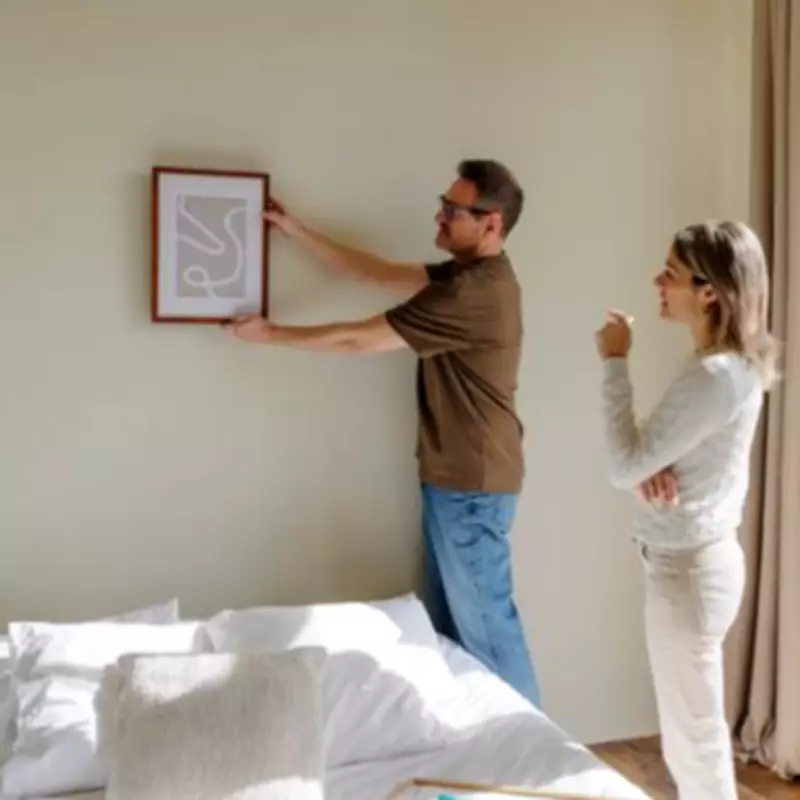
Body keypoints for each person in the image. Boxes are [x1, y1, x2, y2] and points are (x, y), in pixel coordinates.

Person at [224, 159, 540, 706]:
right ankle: (473, 746)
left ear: (491, 223)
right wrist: (296, 231)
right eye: (442, 204)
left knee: (489, 635)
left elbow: (359, 339)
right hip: (459, 480)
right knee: (451, 636)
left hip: (473, 485)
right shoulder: (467, 276)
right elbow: (375, 271)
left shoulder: (472, 294)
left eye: (453, 210)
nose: (439, 217)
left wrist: (269, 335)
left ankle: (535, 757)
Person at [595, 220, 778, 800]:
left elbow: (622, 464)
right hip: (695, 566)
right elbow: (651, 459)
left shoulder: (713, 377)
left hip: (688, 573)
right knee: (689, 737)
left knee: (694, 743)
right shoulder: (724, 369)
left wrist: (614, 361)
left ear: (708, 292)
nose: (657, 281)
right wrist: (645, 468)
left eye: (670, 272)